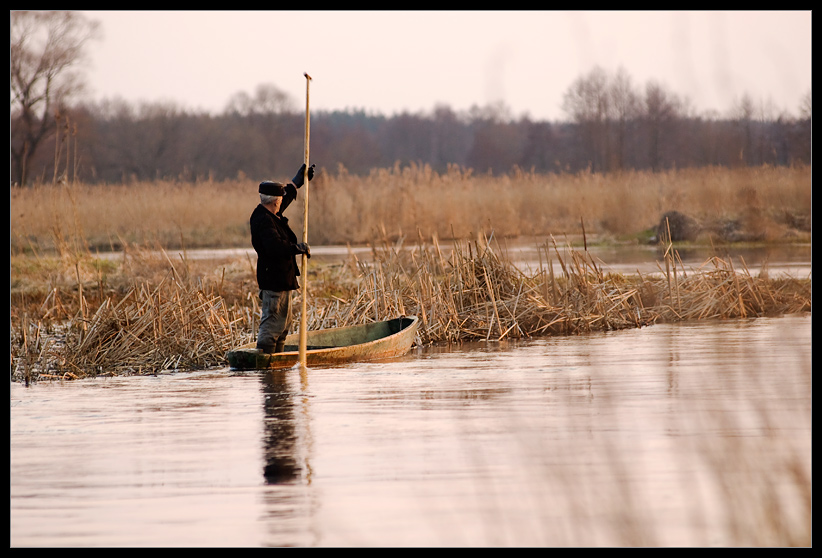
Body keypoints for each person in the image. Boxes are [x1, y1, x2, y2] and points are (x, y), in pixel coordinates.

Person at [250, 163, 315, 354]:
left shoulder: (270, 212)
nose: (281, 202)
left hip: (282, 279)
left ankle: (277, 369)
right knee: (272, 324)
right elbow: (275, 247)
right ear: (274, 202)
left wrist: (297, 182)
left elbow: (284, 199)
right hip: (273, 281)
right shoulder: (263, 220)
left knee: (283, 325)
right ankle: (265, 363)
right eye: (279, 200)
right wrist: (297, 248)